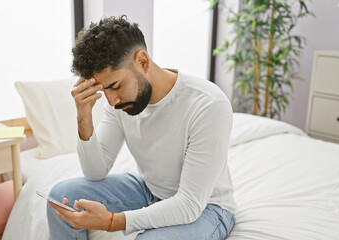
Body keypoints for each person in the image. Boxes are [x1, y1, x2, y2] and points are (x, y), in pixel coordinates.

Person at [47, 15, 236, 240]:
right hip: (150, 191)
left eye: (115, 86)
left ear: (142, 62)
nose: (111, 101)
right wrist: (83, 117)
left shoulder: (208, 104)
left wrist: (112, 222)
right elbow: (95, 172)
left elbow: (189, 205)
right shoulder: (119, 103)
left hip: (207, 208)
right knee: (60, 198)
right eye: (103, 90)